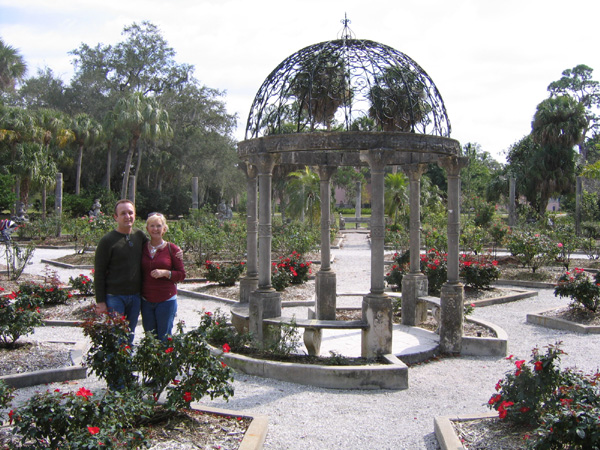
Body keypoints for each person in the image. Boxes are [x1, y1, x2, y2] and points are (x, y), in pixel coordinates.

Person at [94, 199, 148, 345]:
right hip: (115, 297)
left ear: (135, 215)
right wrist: (100, 302)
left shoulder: (139, 236)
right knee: (116, 335)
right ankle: (115, 366)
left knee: (130, 333)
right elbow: (99, 272)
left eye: (130, 213)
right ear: (115, 217)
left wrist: (174, 251)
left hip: (135, 297)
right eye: (123, 213)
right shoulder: (107, 241)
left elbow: (155, 249)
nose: (127, 216)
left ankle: (127, 365)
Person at [141, 213, 185, 341]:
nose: (155, 229)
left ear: (164, 229)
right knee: (150, 338)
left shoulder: (172, 249)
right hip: (146, 300)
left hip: (166, 299)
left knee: (164, 337)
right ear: (147, 229)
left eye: (159, 226)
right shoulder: (142, 248)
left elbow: (182, 275)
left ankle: (164, 361)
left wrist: (166, 273)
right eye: (152, 226)